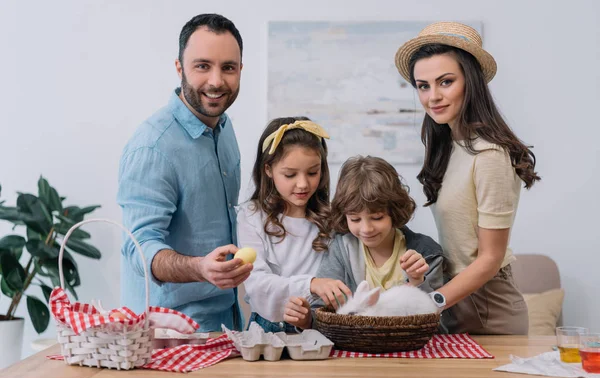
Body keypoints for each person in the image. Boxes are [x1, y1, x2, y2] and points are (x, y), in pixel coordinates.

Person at [394, 22, 541, 334]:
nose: (433, 96)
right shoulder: (450, 147)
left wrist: (429, 301)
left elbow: (490, 258)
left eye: (445, 82)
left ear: (470, 82)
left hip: (489, 305)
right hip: (454, 295)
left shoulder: (490, 156)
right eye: (423, 86)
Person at [117, 14, 252, 331]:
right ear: (179, 68)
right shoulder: (152, 147)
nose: (217, 81)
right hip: (171, 336)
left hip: (227, 321)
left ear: (240, 70)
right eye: (202, 66)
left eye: (228, 67)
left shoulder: (224, 126)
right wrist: (199, 267)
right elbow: (140, 248)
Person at [284, 156, 446, 331]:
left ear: (394, 211)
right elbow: (323, 311)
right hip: (357, 353)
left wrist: (418, 281)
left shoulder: (426, 252)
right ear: (344, 216)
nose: (366, 229)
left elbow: (438, 325)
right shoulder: (341, 249)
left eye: (377, 217)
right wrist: (306, 320)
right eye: (355, 219)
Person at [236, 117, 333, 333]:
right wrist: (311, 284)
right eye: (290, 174)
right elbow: (257, 283)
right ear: (268, 169)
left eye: (312, 172)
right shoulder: (251, 216)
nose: (303, 184)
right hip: (266, 331)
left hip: (317, 329)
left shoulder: (331, 219)